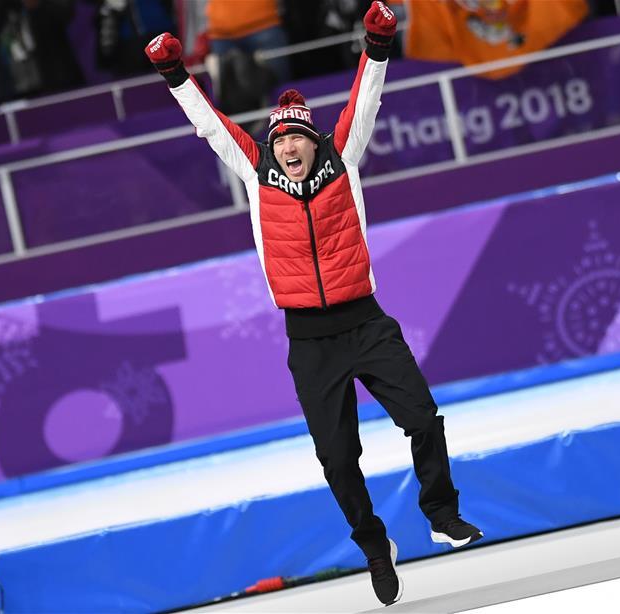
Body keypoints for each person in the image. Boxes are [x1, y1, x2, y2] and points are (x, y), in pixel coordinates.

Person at [145, 2, 482, 606]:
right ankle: (375, 544)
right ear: (271, 147)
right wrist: (175, 72)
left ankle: (440, 512)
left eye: (299, 137)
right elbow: (211, 124)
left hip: (367, 323)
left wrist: (378, 41)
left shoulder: (342, 160)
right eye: (282, 140)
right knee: (336, 457)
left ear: (314, 139)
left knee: (424, 420)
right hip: (309, 340)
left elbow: (367, 97)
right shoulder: (255, 173)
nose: (290, 148)